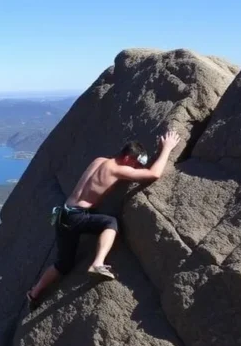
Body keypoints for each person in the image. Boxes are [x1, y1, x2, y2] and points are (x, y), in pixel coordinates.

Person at [27, 130, 182, 307]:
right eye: (136, 164)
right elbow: (154, 174)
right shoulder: (117, 169)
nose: (137, 168)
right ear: (127, 159)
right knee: (110, 222)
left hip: (64, 214)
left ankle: (34, 292)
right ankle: (97, 263)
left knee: (63, 264)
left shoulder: (99, 160)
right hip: (77, 216)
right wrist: (167, 149)